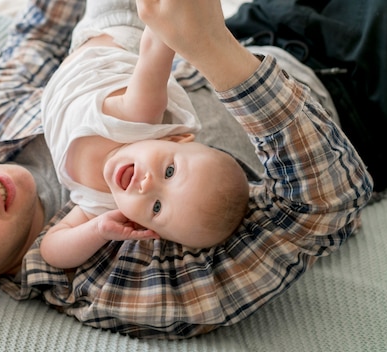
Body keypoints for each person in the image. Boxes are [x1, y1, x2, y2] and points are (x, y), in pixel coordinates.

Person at [0, 0, 375, 339]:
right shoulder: (112, 282)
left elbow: (42, 32)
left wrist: (198, 35)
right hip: (352, 97)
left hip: (253, 27)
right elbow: (324, 209)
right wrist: (213, 52)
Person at [39, 1, 249, 269]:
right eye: (170, 172)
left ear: (140, 224)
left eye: (157, 208)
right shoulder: (140, 116)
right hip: (116, 23)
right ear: (173, 139)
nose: (147, 185)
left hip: (75, 52)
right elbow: (156, 43)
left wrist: (98, 232)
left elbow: (51, 251)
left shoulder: (102, 205)